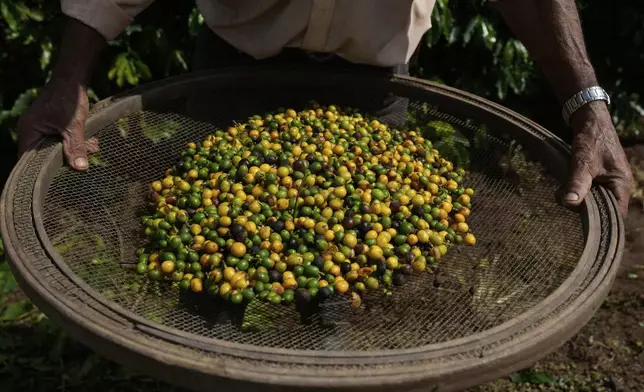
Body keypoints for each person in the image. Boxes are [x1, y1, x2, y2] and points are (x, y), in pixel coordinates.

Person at [17, 0, 633, 216]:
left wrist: (588, 104)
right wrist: (67, 80)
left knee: (346, 275)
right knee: (212, 246)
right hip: (236, 70)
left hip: (374, 87)